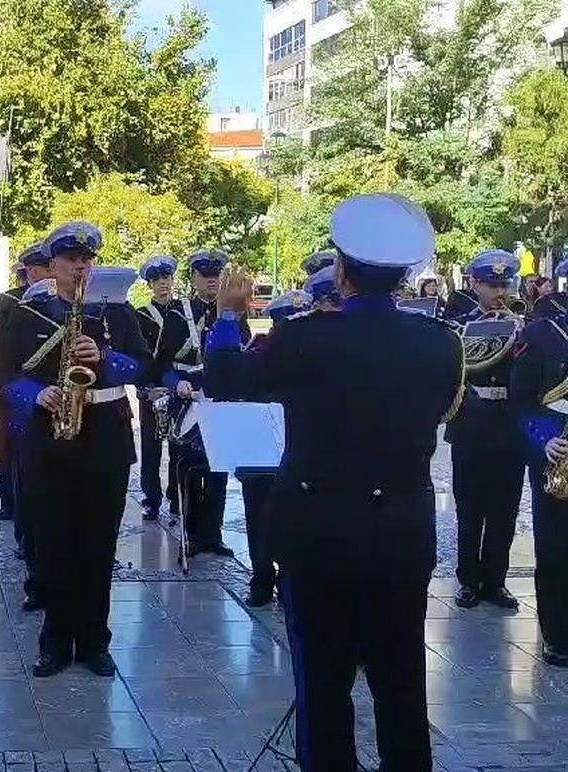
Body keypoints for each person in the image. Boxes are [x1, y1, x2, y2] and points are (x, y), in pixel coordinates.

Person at [206, 193, 463, 770]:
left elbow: (224, 379)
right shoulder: (441, 342)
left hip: (318, 532)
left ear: (342, 272)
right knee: (402, 682)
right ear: (403, 275)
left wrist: (227, 317)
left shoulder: (304, 338)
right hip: (401, 533)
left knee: (323, 687)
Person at [0, 223, 155, 677]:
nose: (79, 267)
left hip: (106, 437)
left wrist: (103, 358)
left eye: (86, 260)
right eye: (70, 260)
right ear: (53, 266)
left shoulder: (117, 313)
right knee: (51, 544)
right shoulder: (31, 314)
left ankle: (93, 642)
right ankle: (54, 641)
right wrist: (36, 394)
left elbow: (143, 367)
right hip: (50, 438)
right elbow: (3, 375)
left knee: (98, 545)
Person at [212, 288, 311, 608]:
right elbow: (223, 373)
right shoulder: (259, 352)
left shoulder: (319, 353)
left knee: (294, 520)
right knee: (259, 517)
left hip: (300, 453)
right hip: (261, 448)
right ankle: (262, 577)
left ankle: (286, 579)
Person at [0, 246, 51, 611]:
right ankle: (23, 532)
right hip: (14, 397)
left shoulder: (71, 304)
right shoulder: (9, 302)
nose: (47, 274)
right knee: (17, 466)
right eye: (41, 268)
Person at [445, 250, 525, 611]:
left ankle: (496, 581)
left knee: (505, 508)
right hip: (471, 424)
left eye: (504, 284)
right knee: (470, 506)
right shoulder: (459, 326)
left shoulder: (523, 326)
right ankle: (468, 579)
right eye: (492, 285)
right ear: (475, 284)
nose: (500, 292)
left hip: (510, 424)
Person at [156, 249, 247, 558]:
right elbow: (162, 363)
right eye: (205, 276)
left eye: (215, 276)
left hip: (219, 399)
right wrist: (175, 384)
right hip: (188, 399)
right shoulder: (178, 313)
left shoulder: (234, 314)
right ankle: (192, 533)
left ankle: (213, 534)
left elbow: (242, 354)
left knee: (218, 471)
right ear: (194, 278)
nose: (211, 282)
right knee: (189, 470)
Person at [511, 282, 568, 668]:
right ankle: (558, 634)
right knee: (556, 549)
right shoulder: (541, 334)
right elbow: (521, 401)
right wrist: (544, 440)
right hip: (558, 453)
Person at [133, 255, 178, 522]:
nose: (163, 283)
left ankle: (175, 496)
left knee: (178, 444)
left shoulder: (183, 311)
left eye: (167, 278)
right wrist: (144, 386)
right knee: (151, 446)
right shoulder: (141, 315)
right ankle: (151, 498)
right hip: (151, 387)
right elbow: (139, 354)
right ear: (150, 284)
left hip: (177, 386)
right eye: (157, 279)